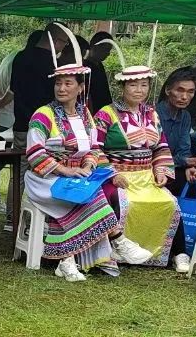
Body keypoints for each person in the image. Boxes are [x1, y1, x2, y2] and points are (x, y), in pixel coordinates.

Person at [24, 24, 133, 282]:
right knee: (86, 197)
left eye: (68, 84)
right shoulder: (43, 115)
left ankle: (67, 260)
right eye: (58, 83)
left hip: (74, 176)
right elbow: (35, 154)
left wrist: (88, 166)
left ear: (80, 88)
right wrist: (66, 170)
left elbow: (94, 148)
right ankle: (117, 239)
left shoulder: (85, 116)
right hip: (45, 179)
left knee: (91, 192)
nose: (62, 88)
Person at [94, 47, 185, 272]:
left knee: (170, 202)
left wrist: (161, 170)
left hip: (146, 176)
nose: (139, 90)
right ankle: (115, 251)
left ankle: (177, 253)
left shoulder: (151, 114)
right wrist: (112, 175)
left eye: (144, 85)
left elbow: (161, 146)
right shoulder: (106, 114)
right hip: (117, 176)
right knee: (125, 202)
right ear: (123, 87)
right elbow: (95, 148)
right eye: (133, 85)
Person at [10, 22, 69, 229]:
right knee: (43, 170)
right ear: (57, 41)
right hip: (46, 126)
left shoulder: (20, 57)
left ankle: (13, 216)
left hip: (21, 122)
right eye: (64, 43)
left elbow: (13, 89)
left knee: (19, 170)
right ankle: (37, 219)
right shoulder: (53, 64)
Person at [0, 30, 43, 219]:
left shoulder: (11, 56)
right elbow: (11, 92)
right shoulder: (23, 60)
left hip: (1, 117)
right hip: (6, 118)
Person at [157, 68, 196, 197]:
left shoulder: (185, 116)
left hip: (173, 167)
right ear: (168, 90)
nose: (184, 97)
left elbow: (184, 150)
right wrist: (187, 162)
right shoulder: (153, 114)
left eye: (190, 92)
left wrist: (188, 166)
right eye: (180, 90)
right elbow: (152, 155)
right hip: (152, 168)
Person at [84, 32, 114, 113]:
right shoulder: (86, 67)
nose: (108, 53)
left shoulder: (99, 64)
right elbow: (87, 94)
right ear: (94, 46)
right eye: (106, 50)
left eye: (109, 50)